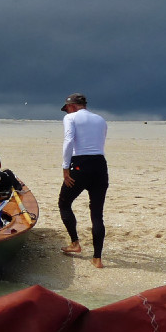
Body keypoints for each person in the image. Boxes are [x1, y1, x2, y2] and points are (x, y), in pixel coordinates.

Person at [58, 93, 109, 268]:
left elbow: (69, 140)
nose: (66, 113)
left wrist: (66, 168)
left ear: (71, 107)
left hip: (80, 164)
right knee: (97, 214)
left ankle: (75, 243)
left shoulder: (71, 118)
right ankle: (97, 258)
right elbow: (99, 142)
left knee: (64, 203)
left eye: (67, 109)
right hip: (100, 165)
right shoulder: (101, 119)